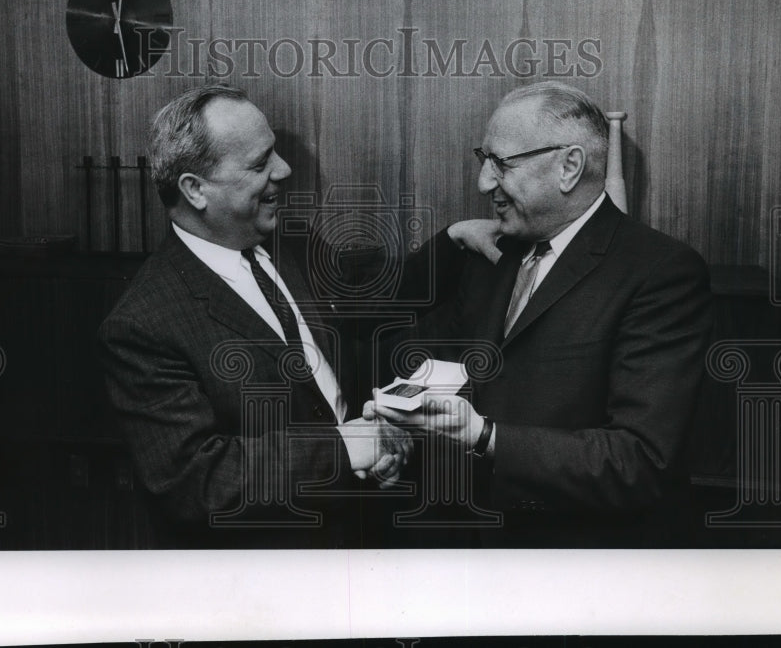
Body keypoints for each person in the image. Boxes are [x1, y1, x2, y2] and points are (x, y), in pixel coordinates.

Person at [366, 82, 713, 547]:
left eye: (502, 164)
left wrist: (486, 436)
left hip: (582, 555)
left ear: (569, 166)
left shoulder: (662, 274)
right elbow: (438, 363)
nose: (484, 183)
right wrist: (395, 424)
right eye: (483, 159)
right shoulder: (492, 255)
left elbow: (640, 460)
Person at [98, 84, 409, 548]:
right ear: (195, 190)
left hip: (360, 534)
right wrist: (350, 447)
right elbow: (197, 483)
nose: (283, 170)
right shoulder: (142, 325)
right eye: (260, 164)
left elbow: (371, 294)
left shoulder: (290, 242)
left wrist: (459, 238)